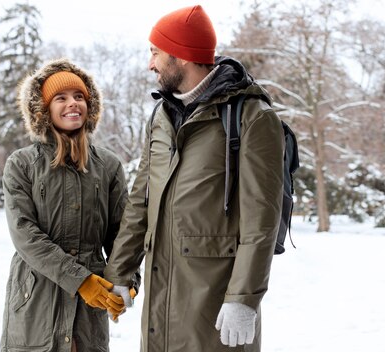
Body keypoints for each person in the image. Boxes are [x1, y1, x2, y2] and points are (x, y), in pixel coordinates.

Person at [103, 4, 284, 352]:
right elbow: (142, 201)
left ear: (181, 55)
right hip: (160, 301)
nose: (150, 63)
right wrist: (120, 273)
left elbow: (262, 219)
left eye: (155, 52)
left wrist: (243, 299)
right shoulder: (160, 116)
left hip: (213, 301)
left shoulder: (251, 116)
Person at [0, 58, 136, 352]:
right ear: (44, 110)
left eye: (79, 97)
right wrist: (80, 281)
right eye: (60, 98)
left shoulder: (109, 166)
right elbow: (25, 234)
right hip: (37, 297)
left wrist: (126, 277)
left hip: (90, 309)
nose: (73, 104)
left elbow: (121, 232)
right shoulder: (22, 164)